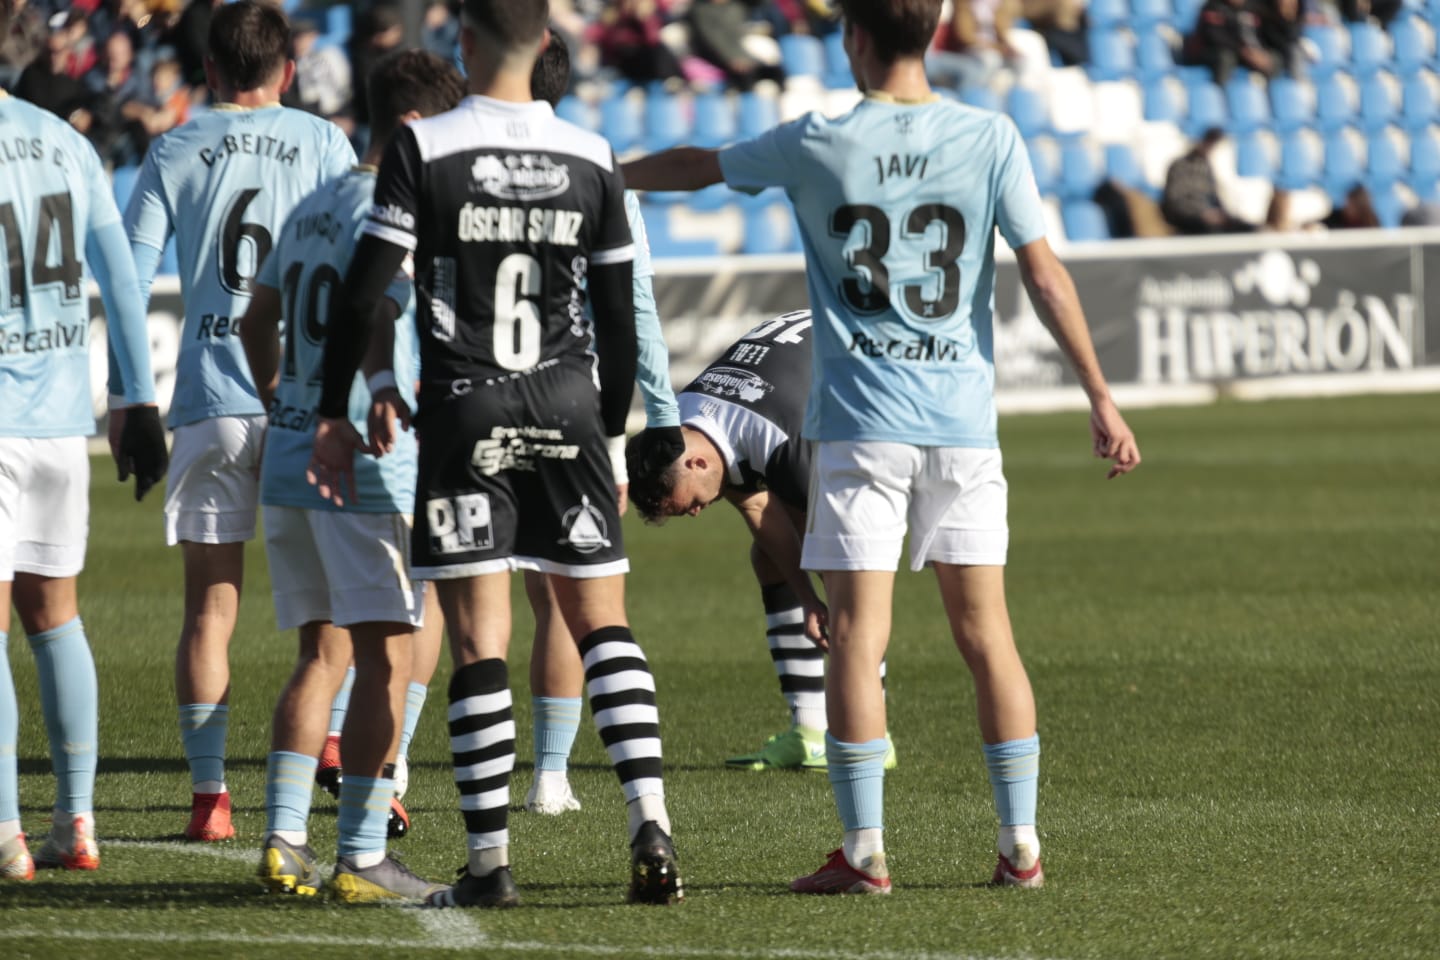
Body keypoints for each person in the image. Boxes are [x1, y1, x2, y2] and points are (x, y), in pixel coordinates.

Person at [622, 0, 1141, 894]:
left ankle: (865, 855)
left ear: (855, 37)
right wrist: (1100, 394)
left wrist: (611, 174)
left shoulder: (821, 137)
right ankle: (1021, 849)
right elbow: (1046, 272)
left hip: (862, 429)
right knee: (989, 638)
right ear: (933, 33)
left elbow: (699, 166)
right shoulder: (990, 136)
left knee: (856, 639)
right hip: (963, 429)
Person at [309, 0, 683, 908]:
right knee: (603, 622)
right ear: (549, 44)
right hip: (570, 404)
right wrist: (612, 429)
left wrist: (334, 408)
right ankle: (652, 821)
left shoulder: (424, 147)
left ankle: (490, 866)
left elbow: (364, 292)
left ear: (466, 42)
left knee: (480, 637)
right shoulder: (594, 156)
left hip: (466, 408)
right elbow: (621, 317)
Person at [119, 0, 356, 844]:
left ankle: (210, 802)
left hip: (211, 400)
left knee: (209, 609)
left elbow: (126, 274)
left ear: (210, 72)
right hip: (300, 400)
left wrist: (128, 399)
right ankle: (328, 746)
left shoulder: (174, 146)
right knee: (333, 606)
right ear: (287, 72)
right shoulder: (326, 143)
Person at [239, 48, 463, 904]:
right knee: (385, 661)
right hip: (366, 469)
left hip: (294, 457)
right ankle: (363, 854)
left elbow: (256, 320)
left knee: (319, 655)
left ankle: (282, 840)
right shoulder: (401, 211)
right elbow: (378, 308)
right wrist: (372, 391)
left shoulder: (313, 204)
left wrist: (282, 396)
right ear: (413, 126)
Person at [0, 0, 168, 880]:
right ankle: (78, 821)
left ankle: (5, 836)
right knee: (56, 619)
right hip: (63, 422)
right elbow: (123, 283)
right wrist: (136, 400)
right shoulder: (66, 141)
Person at [625, 311, 899, 773]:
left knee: (853, 580)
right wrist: (807, 599)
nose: (695, 513)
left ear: (695, 465)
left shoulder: (779, 447)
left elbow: (836, 555)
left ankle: (874, 735)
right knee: (768, 558)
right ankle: (810, 732)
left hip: (884, 367)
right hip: (817, 361)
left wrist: (828, 598)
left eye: (687, 504)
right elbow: (757, 510)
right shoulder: (687, 428)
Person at [1161, 128, 1257, 235]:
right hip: (1192, 222)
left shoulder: (1221, 167)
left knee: (1251, 230)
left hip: (1223, 219)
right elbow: (1176, 201)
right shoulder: (1182, 166)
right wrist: (1203, 213)